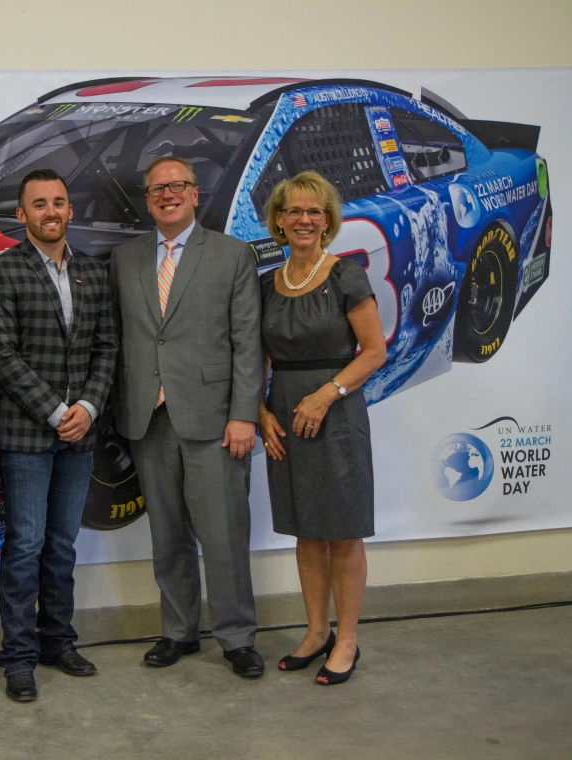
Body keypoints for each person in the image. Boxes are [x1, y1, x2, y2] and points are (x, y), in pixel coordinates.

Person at [109, 156, 265, 677]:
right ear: (147, 198)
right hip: (147, 419)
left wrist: (244, 415)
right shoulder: (124, 258)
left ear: (196, 194)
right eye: (157, 189)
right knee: (167, 536)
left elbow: (248, 344)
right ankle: (178, 631)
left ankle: (237, 636)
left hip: (215, 421)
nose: (168, 194)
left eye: (178, 186)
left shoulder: (231, 254)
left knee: (223, 535)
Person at [0, 169, 118, 702]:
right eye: (39, 204)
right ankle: (18, 657)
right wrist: (57, 410)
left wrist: (86, 406)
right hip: (27, 436)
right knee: (25, 546)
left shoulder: (93, 273)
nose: (50, 211)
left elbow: (107, 348)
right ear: (22, 215)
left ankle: (58, 641)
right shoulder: (1, 271)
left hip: (80, 434)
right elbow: (1, 356)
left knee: (62, 545)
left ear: (70, 211)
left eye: (58, 201)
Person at [257, 170, 386, 685]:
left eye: (315, 211)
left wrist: (326, 394)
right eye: (294, 211)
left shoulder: (345, 275)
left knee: (344, 530)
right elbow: (259, 358)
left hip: (335, 412)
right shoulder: (268, 282)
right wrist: (261, 411)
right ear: (280, 221)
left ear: (328, 220)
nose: (304, 219)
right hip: (284, 415)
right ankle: (315, 632)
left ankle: (348, 639)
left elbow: (375, 351)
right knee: (306, 531)